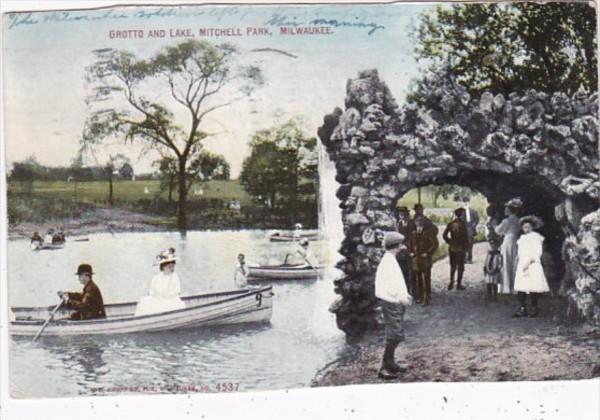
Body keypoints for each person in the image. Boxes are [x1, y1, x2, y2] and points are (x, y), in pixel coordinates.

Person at [375, 232, 412, 380]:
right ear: (396, 246)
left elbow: (397, 282)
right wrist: (402, 298)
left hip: (393, 301)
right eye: (401, 244)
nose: (403, 247)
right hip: (391, 302)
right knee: (394, 334)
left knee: (395, 332)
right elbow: (392, 287)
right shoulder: (388, 262)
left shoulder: (390, 260)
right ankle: (384, 367)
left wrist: (404, 295)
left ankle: (390, 363)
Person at [512, 216, 549, 318]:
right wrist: (518, 261)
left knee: (533, 286)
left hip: (532, 263)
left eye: (528, 227)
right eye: (525, 227)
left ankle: (534, 307)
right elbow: (520, 252)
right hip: (522, 262)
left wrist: (528, 262)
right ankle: (522, 308)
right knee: (521, 287)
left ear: (532, 227)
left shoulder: (536, 237)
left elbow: (537, 252)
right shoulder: (522, 238)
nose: (526, 229)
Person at [134, 248, 186, 316]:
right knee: (144, 302)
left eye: (173, 266)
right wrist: (158, 296)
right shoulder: (156, 278)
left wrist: (165, 295)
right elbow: (152, 292)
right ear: (163, 267)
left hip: (171, 300)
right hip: (158, 299)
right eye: (169, 266)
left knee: (166, 306)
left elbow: (176, 292)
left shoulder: (174, 277)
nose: (171, 269)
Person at [408, 216, 439, 305]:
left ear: (423, 225)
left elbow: (434, 245)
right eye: (417, 223)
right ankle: (420, 297)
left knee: (425, 279)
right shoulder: (413, 234)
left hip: (425, 260)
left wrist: (428, 253)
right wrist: (410, 253)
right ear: (415, 224)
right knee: (418, 280)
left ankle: (426, 298)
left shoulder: (428, 234)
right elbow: (409, 245)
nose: (419, 225)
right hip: (416, 260)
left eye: (421, 224)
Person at [495, 198, 522, 294]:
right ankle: (515, 286)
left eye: (506, 209)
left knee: (506, 262)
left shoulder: (506, 221)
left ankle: (506, 287)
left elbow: (498, 231)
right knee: (515, 262)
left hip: (508, 240)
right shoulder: (519, 220)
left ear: (510, 210)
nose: (505, 210)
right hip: (516, 240)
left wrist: (495, 226)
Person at [442, 208, 470, 290]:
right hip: (461, 248)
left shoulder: (451, 223)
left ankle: (451, 281)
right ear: (461, 214)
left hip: (452, 248)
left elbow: (444, 235)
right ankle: (458, 284)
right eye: (463, 214)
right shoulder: (463, 224)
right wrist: (467, 246)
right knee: (461, 266)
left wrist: (450, 241)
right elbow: (466, 237)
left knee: (453, 265)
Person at [395, 206, 415, 296]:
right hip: (400, 253)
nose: (402, 215)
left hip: (411, 251)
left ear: (407, 214)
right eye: (400, 214)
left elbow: (414, 237)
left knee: (412, 273)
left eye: (403, 214)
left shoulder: (412, 224)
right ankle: (404, 291)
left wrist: (411, 248)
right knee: (402, 272)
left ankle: (414, 293)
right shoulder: (397, 225)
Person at [462, 196, 480, 264]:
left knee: (470, 244)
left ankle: (470, 259)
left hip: (470, 228)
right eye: (464, 202)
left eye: (467, 202)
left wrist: (474, 225)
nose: (466, 204)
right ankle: (464, 259)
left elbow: (477, 219)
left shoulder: (473, 211)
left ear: (469, 203)